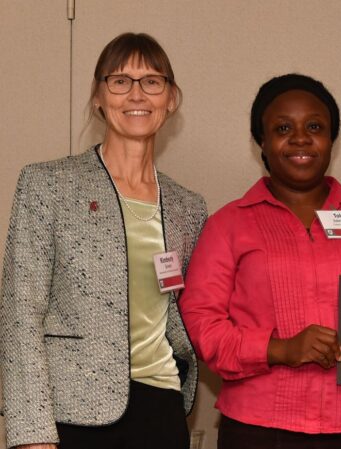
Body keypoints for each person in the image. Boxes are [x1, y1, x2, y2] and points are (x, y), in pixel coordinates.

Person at [0, 33, 205, 449]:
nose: (136, 94)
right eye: (120, 81)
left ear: (171, 99)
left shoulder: (188, 207)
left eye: (152, 81)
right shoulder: (48, 185)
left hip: (162, 409)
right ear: (98, 95)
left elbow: (193, 311)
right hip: (70, 413)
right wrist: (31, 431)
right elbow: (20, 313)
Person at [179, 73, 341, 449]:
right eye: (283, 128)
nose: (300, 138)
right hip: (259, 430)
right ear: (262, 142)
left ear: (331, 139)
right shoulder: (228, 225)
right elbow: (201, 324)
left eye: (315, 127)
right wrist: (279, 349)